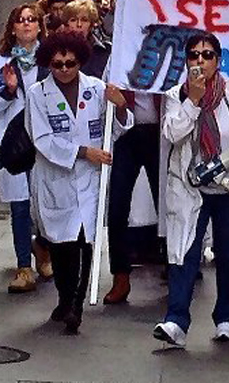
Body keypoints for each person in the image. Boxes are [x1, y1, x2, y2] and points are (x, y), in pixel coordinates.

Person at [152, 32, 229, 348]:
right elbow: (173, 133)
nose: (200, 61)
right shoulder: (176, 95)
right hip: (190, 187)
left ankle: (226, 319)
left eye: (207, 55)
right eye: (194, 55)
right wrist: (193, 100)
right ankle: (176, 320)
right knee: (184, 252)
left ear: (218, 61)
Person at [28, 31, 132, 334]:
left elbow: (118, 129)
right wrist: (85, 152)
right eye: (57, 64)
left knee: (85, 240)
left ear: (80, 62)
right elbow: (42, 140)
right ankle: (64, 295)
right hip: (56, 178)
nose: (63, 70)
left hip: (89, 181)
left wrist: (121, 106)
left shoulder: (98, 89)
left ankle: (76, 304)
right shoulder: (37, 94)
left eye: (70, 63)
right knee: (62, 244)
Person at [0, 3, 54, 294]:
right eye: (21, 20)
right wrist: (8, 91)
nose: (26, 25)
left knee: (46, 204)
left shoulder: (51, 61)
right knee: (20, 206)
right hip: (15, 142)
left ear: (39, 26)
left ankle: (43, 248)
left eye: (31, 20)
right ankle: (24, 266)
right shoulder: (1, 63)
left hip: (44, 140)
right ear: (12, 27)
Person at [102, 89, 163, 304]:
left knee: (166, 204)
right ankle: (120, 276)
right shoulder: (120, 58)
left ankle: (177, 267)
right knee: (117, 204)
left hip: (161, 131)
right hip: (125, 133)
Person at [63, 0, 110, 78]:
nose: (79, 25)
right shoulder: (57, 50)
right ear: (66, 24)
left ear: (91, 24)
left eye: (84, 20)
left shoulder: (104, 51)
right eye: (73, 20)